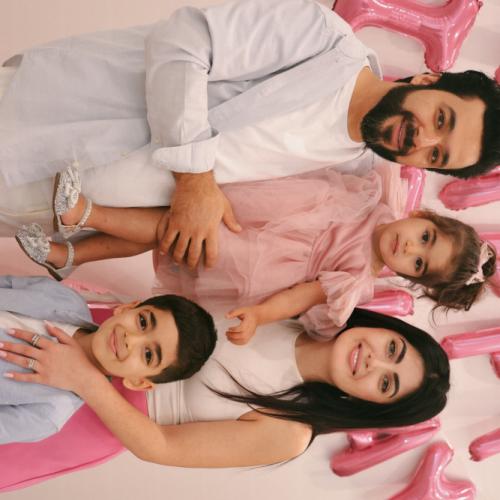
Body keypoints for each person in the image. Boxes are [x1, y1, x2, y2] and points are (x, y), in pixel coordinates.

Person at [1, 0, 499, 270]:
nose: (421, 142)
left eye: (437, 156)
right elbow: (184, 39)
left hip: (46, 210)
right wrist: (195, 179)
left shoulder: (346, 165)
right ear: (428, 80)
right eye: (441, 119)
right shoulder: (323, 39)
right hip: (42, 123)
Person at [15, 164, 496, 343]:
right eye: (425, 238)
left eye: (418, 264)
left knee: (170, 229)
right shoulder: (381, 193)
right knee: (169, 221)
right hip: (262, 205)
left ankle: (84, 212)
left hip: (257, 258)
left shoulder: (356, 278)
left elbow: (302, 296)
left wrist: (261, 315)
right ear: (425, 216)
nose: (409, 248)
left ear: (410, 277)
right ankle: (67, 257)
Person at [0, 308, 450, 467]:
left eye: (386, 382)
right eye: (392, 348)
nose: (373, 361)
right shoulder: (289, 309)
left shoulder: (289, 431)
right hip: (97, 327)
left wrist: (84, 378)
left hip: (85, 417)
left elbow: (160, 447)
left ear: (370, 404)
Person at [0, 275, 216, 444]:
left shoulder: (48, 414)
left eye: (148, 355)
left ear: (139, 382)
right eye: (142, 322)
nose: (131, 339)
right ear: (127, 308)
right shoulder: (65, 298)